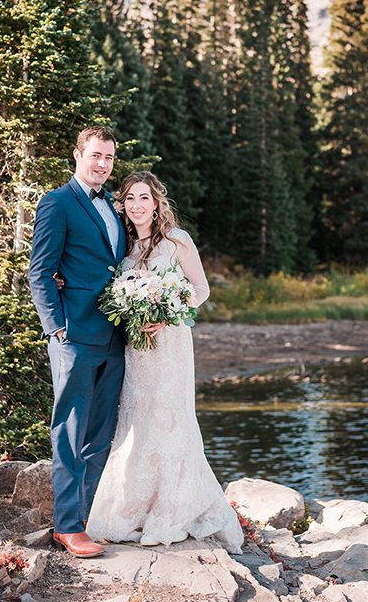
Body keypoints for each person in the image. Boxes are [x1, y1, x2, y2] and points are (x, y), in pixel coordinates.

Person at [85, 171, 243, 552]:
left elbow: (200, 290)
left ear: (157, 203)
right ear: (122, 205)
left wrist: (167, 312)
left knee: (171, 420)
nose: (137, 205)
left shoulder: (177, 241)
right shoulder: (123, 247)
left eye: (145, 197)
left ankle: (171, 510)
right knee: (137, 420)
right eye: (130, 199)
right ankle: (132, 508)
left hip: (170, 344)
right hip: (136, 350)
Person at [28, 126, 127, 559]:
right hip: (74, 336)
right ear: (77, 155)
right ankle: (66, 526)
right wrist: (56, 329)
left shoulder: (114, 208)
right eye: (95, 155)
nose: (101, 164)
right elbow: (40, 271)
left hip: (114, 335)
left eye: (108, 157)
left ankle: (83, 518)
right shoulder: (57, 203)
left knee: (100, 434)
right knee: (69, 432)